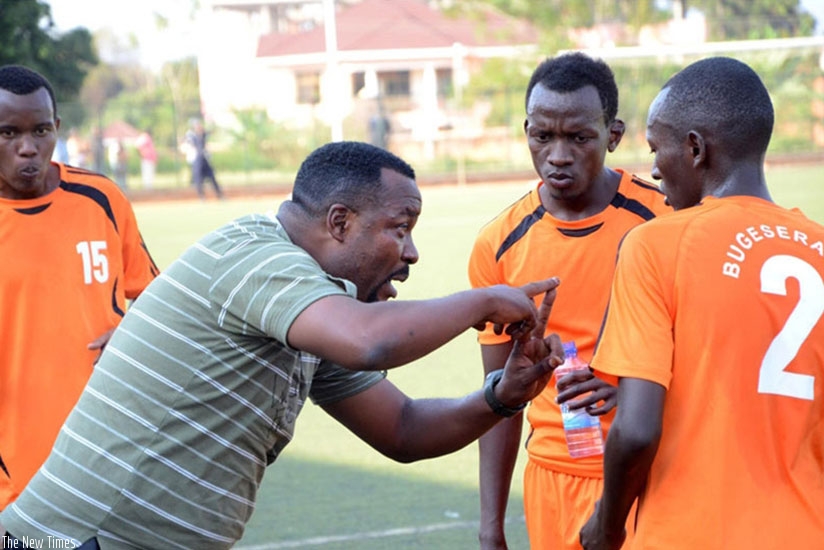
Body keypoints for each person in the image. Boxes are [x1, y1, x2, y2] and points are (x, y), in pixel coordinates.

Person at [1, 140, 567, 549]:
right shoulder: (257, 255)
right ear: (340, 222)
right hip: (76, 540)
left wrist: (502, 396)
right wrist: (482, 301)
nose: (412, 252)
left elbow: (404, 429)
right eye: (400, 228)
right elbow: (368, 341)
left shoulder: (310, 314)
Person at [580, 57, 824, 550]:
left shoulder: (656, 244)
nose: (653, 169)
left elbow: (636, 431)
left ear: (695, 148)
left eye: (656, 149)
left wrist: (606, 527)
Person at [468, 52, 670, 550]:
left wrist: (633, 392)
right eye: (543, 136)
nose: (558, 155)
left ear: (613, 135)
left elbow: (709, 354)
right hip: (552, 478)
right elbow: (499, 398)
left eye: (579, 138)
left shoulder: (665, 223)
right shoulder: (498, 244)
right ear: (527, 132)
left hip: (655, 471)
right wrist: (490, 526)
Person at [0, 65, 159, 513]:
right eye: (8, 133)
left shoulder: (101, 199)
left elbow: (157, 300)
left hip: (109, 466)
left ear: (57, 128)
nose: (27, 147)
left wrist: (135, 332)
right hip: (15, 484)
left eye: (40, 130)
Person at [184, 118, 224, 200]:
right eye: (196, 125)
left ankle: (219, 195)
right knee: (198, 179)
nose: (199, 127)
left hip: (204, 159)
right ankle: (201, 197)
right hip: (197, 160)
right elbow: (192, 144)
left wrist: (211, 122)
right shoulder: (191, 135)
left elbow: (212, 131)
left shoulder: (203, 134)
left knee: (212, 177)